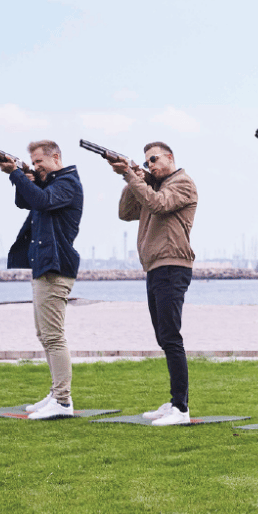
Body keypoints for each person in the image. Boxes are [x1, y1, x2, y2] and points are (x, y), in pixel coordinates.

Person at [112, 142, 198, 426]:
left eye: (154, 160)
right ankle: (175, 401)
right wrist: (136, 177)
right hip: (155, 267)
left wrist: (132, 176)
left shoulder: (182, 183)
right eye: (147, 162)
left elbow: (159, 204)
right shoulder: (150, 185)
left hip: (173, 265)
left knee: (171, 337)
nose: (151, 165)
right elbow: (126, 212)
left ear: (170, 157)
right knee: (164, 337)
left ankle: (181, 409)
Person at [0, 140, 83, 420]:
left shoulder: (67, 183)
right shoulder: (50, 183)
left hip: (56, 267)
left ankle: (62, 400)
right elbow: (26, 201)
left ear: (55, 157)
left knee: (54, 337)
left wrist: (17, 174)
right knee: (44, 335)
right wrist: (24, 177)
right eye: (32, 163)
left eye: (39, 162)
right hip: (44, 265)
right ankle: (56, 393)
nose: (36, 167)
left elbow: (41, 201)